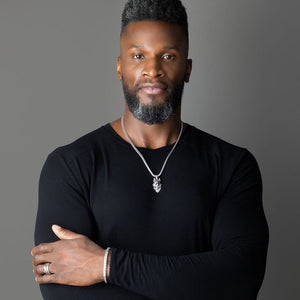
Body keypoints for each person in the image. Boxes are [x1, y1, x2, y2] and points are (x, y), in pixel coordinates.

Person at [31, 0, 269, 299]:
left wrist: (107, 265)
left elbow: (240, 279)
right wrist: (192, 279)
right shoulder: (70, 165)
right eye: (138, 55)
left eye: (167, 56)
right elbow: (62, 292)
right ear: (120, 67)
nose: (152, 70)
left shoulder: (233, 165)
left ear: (187, 68)